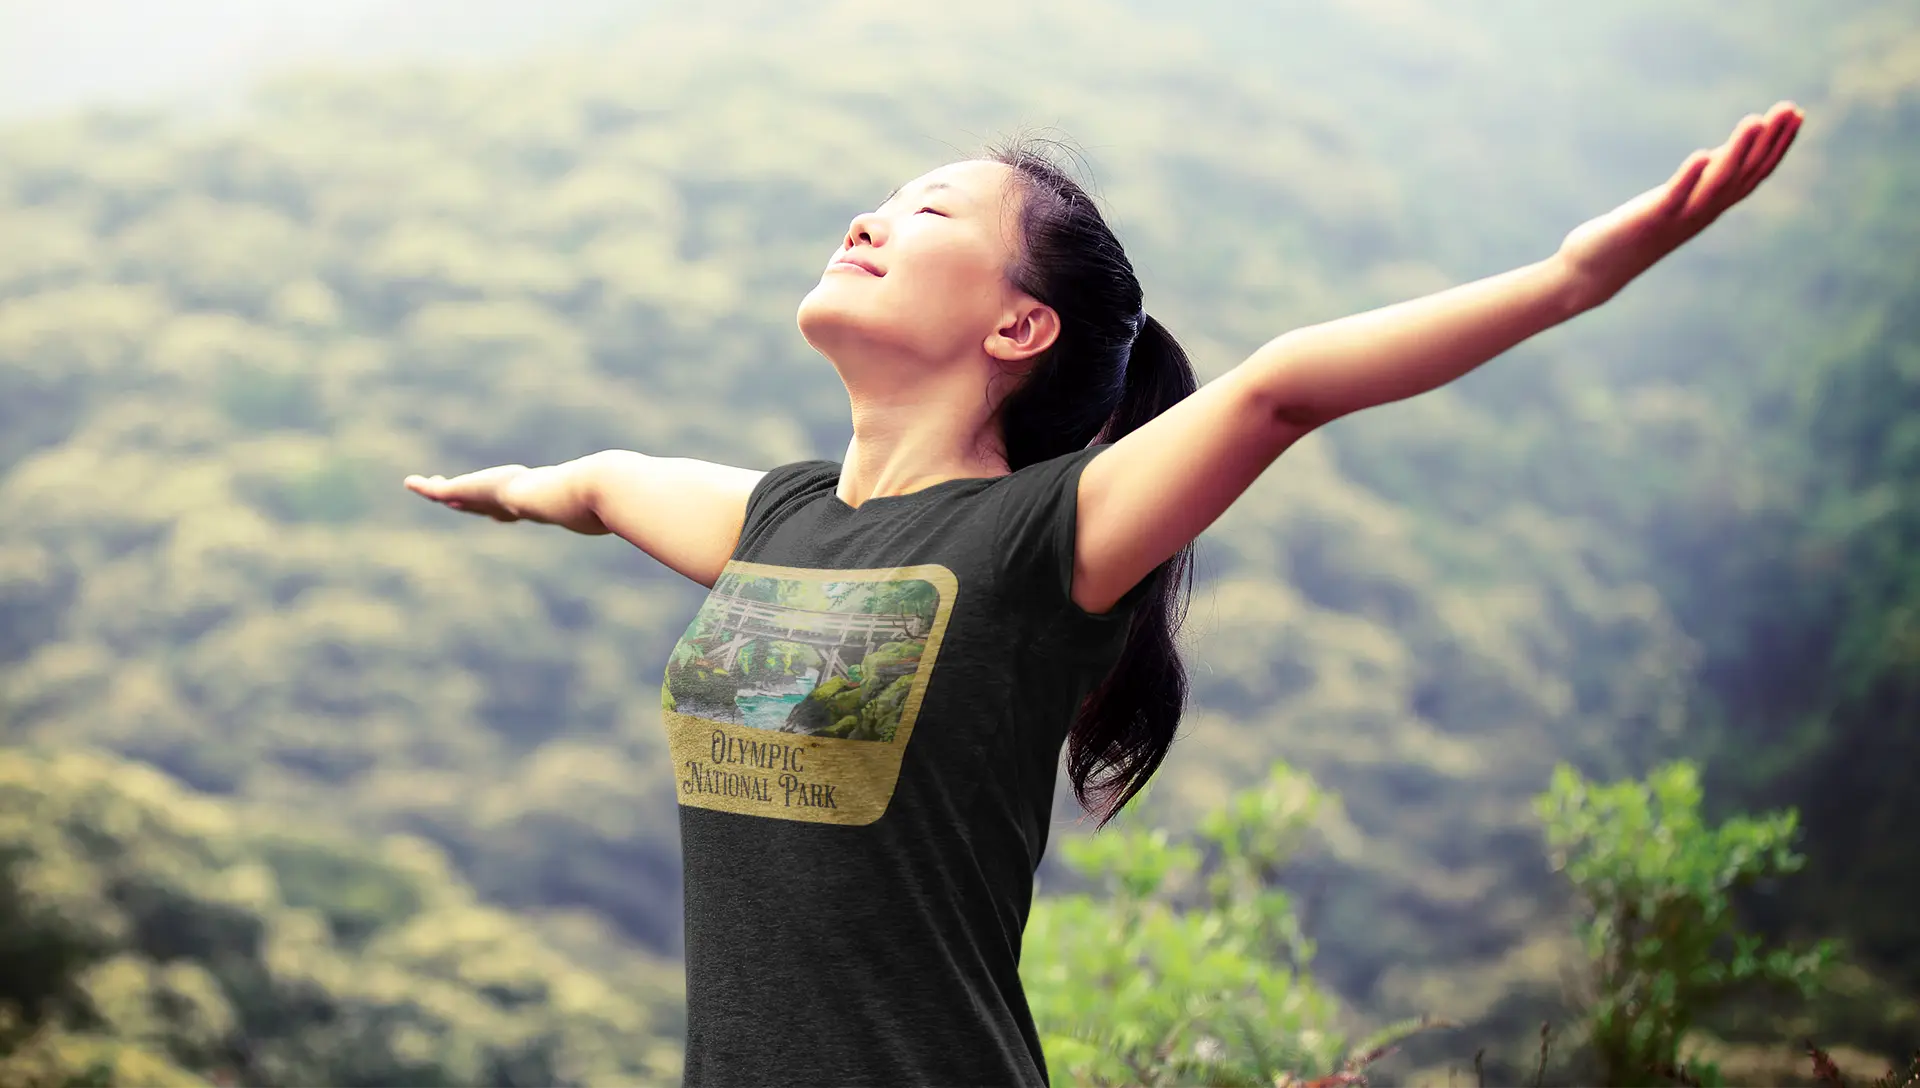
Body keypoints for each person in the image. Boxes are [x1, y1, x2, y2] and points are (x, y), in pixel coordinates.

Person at [403, 103, 1803, 1087]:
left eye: (928, 211)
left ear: (1019, 325)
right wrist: (511, 483)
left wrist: (1572, 279)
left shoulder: (1041, 542)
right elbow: (605, 481)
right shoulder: (775, 524)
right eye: (885, 201)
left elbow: (1282, 388)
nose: (870, 219)